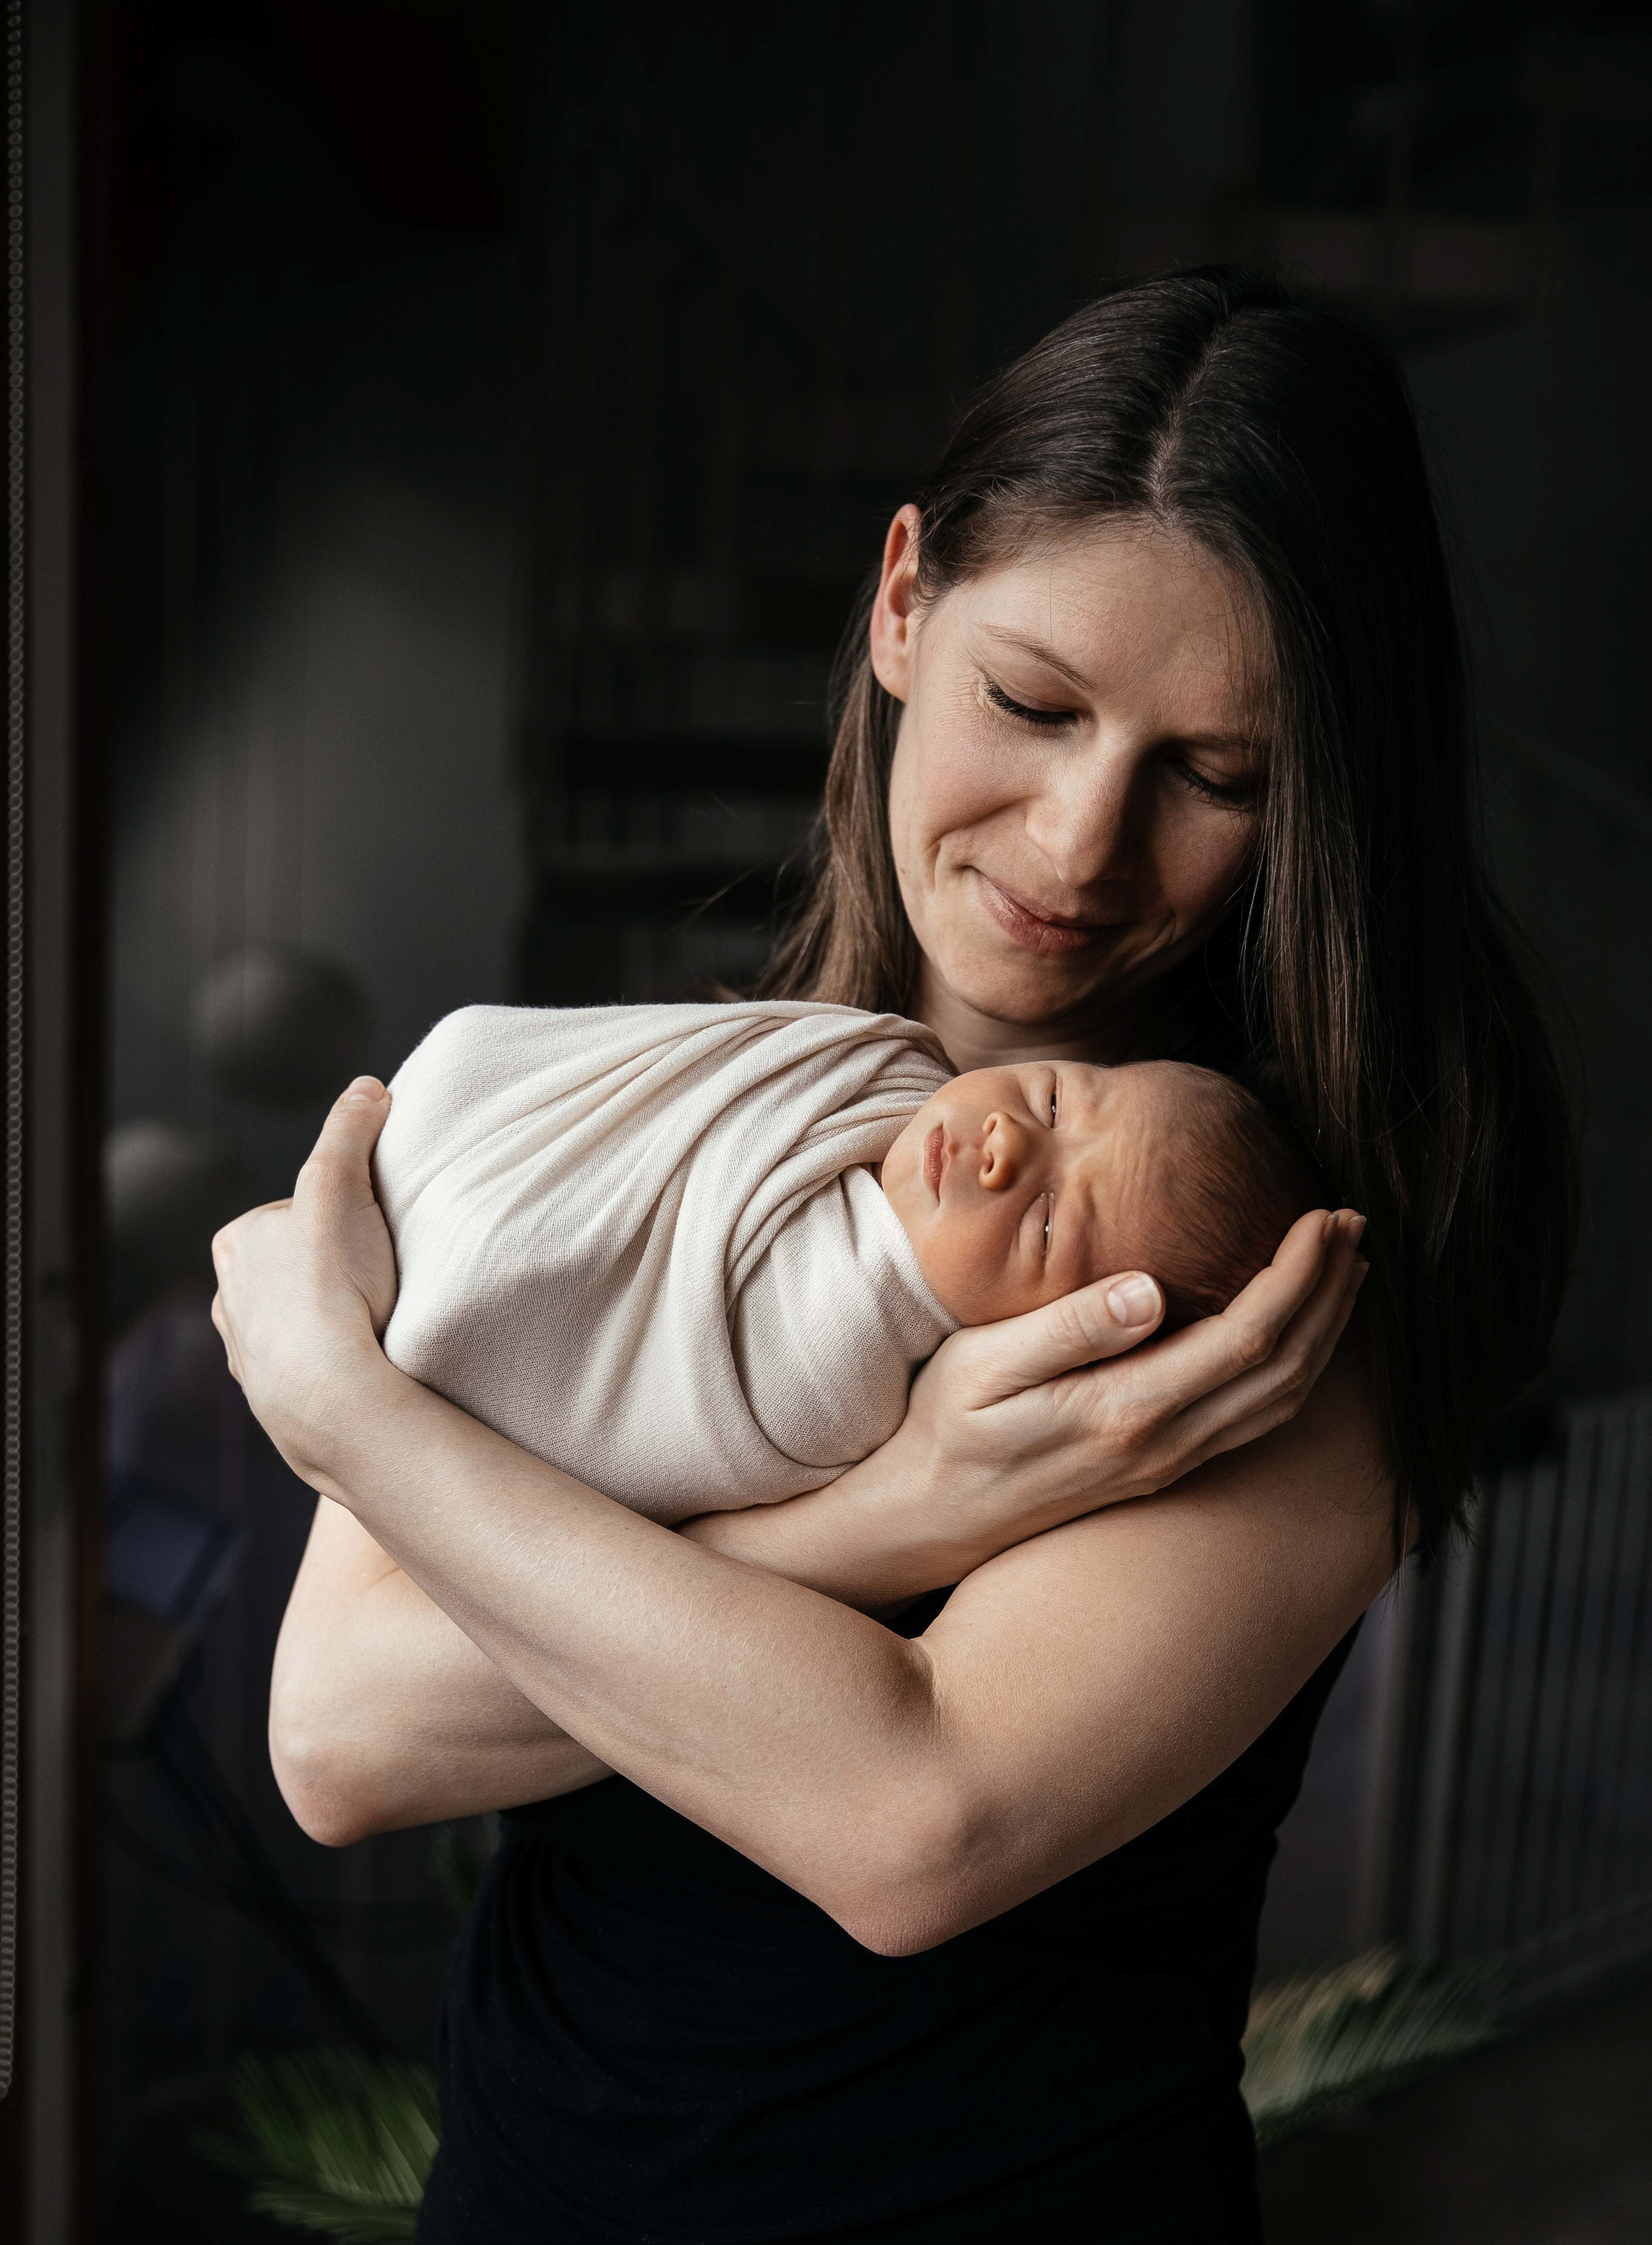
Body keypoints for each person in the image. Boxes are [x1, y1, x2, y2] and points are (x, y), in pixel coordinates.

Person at [211, 268, 1574, 2243]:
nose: (1082, 845)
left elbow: (910, 1820)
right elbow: (345, 1734)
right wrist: (898, 1503)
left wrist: (341, 1400)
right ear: (903, 601)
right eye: (1035, 703)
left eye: (1217, 774)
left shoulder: (1260, 1271)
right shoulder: (700, 1108)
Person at [376, 997, 1323, 1518]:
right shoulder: (895, 1074)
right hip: (470, 1116)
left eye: (1044, 1226)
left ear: (1060, 1336)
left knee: (496, 1259)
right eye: (1056, 1103)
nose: (1002, 1143)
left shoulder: (844, 1366)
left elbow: (654, 1393)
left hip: (479, 1269)